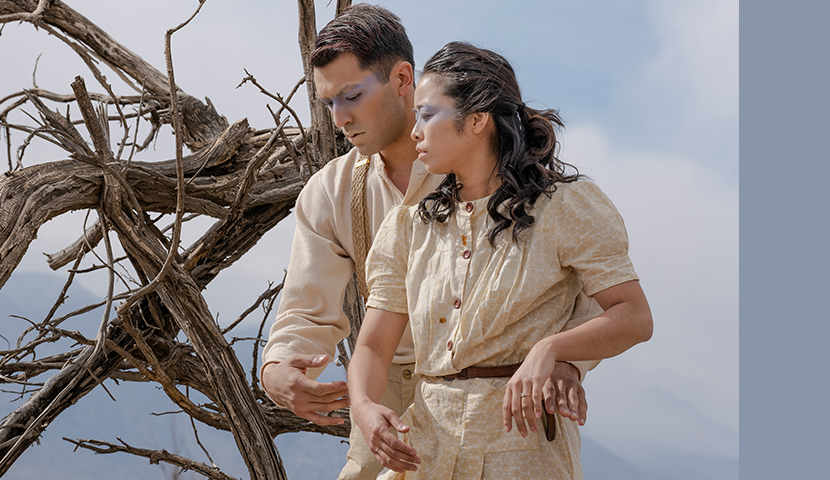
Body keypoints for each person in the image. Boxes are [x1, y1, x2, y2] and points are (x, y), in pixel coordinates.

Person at [260, 5, 601, 480]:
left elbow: (589, 285)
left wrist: (567, 359)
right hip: (382, 391)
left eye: (352, 95)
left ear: (403, 78)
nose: (339, 118)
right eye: (328, 103)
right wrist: (277, 368)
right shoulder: (331, 191)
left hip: (499, 396)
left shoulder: (488, 170)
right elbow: (306, 304)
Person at [348, 41, 654, 479]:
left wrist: (552, 350)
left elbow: (634, 317)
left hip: (523, 450)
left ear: (476, 120)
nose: (415, 131)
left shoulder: (564, 208)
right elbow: (374, 345)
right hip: (426, 451)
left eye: (428, 114)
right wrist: (364, 406)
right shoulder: (408, 227)